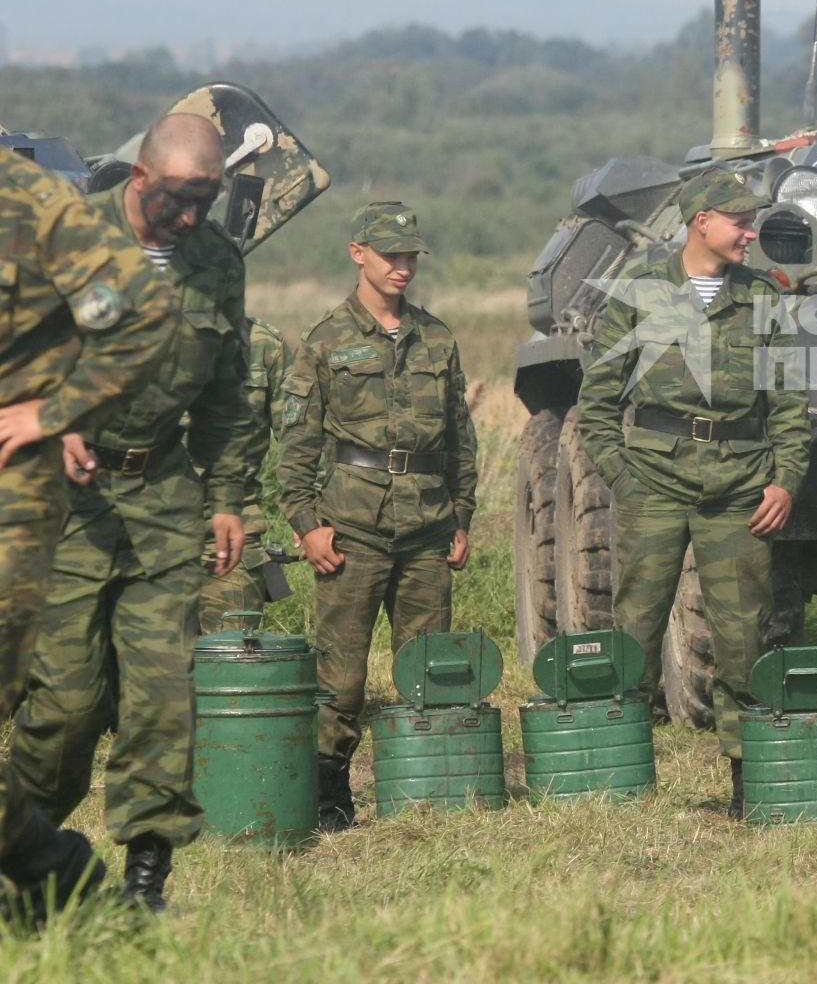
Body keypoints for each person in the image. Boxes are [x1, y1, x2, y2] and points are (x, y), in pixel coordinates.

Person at [11, 114, 258, 913]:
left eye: (207, 201)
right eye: (179, 200)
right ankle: (33, 861)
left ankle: (147, 884)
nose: (190, 218)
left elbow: (226, 390)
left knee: (162, 701)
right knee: (67, 704)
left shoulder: (216, 262)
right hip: (68, 510)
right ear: (140, 180)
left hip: (162, 499)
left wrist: (226, 499)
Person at [576, 168, 808, 818]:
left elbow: (789, 404)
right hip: (654, 480)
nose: (749, 232)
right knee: (634, 632)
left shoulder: (763, 299)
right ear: (701, 220)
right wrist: (623, 477)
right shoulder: (643, 293)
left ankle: (746, 781)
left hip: (738, 486)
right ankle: (620, 779)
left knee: (743, 638)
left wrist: (785, 480)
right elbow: (597, 399)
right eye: (738, 220)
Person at [277, 202, 477, 832]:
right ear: (357, 252)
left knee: (430, 667)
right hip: (352, 530)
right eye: (391, 254)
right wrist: (306, 522)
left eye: (412, 254)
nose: (404, 266)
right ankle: (330, 799)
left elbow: (460, 439)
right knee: (342, 678)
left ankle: (426, 790)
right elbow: (296, 444)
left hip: (426, 530)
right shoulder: (325, 341)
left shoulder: (437, 338)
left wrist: (462, 515)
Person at [195, 317, 289, 634]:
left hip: (233, 530)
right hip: (146, 526)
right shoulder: (137, 337)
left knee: (233, 660)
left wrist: (309, 512)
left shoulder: (263, 345)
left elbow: (299, 440)